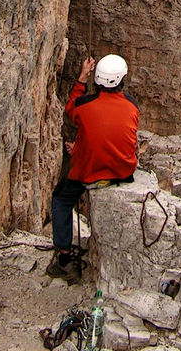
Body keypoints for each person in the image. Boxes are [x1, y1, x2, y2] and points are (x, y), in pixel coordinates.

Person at [47, 53, 139, 281]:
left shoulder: (83, 105)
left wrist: (81, 78)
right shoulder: (131, 106)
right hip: (123, 170)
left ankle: (64, 255)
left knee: (61, 199)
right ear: (121, 80)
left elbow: (71, 111)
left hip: (88, 171)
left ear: (97, 79)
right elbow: (110, 131)